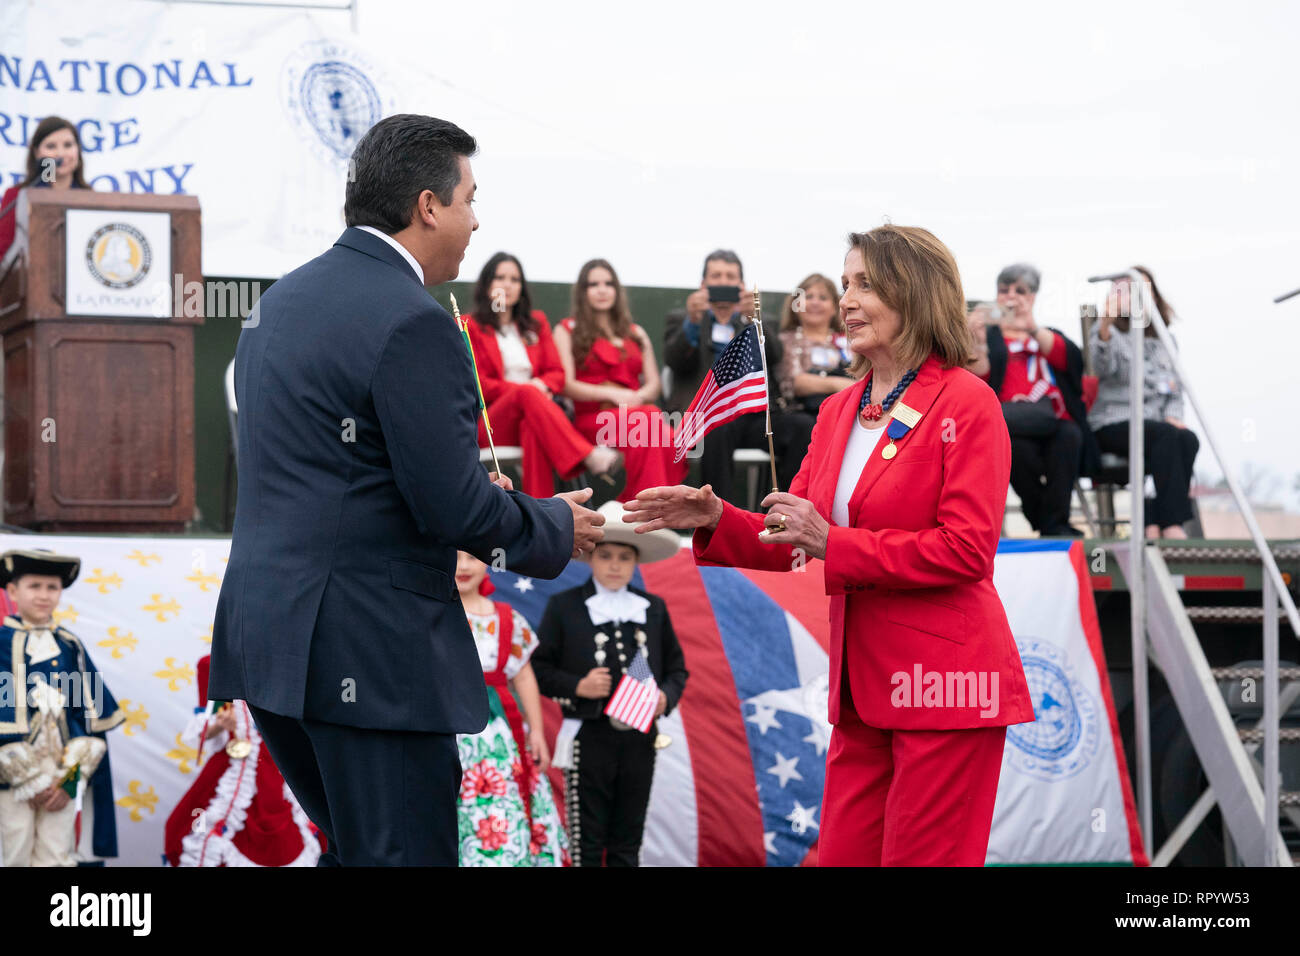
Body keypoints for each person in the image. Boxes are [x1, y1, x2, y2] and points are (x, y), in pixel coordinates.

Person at [209, 114, 605, 867]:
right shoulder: (414, 322)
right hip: (365, 650)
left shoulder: (275, 305)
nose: (477, 219)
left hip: (271, 642)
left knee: (357, 849)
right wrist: (552, 523)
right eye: (470, 198)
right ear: (428, 206)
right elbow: (450, 505)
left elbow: (340, 474)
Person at [626, 225, 1034, 866]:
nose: (846, 299)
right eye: (844, 283)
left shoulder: (969, 402)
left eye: (865, 284)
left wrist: (833, 542)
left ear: (916, 293)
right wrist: (713, 516)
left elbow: (966, 550)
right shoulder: (839, 410)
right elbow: (793, 536)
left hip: (947, 691)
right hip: (861, 693)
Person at [531, 502, 687, 866]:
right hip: (589, 735)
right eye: (606, 556)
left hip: (639, 738)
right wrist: (577, 686)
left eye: (624, 557)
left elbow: (678, 670)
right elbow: (538, 669)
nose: (615, 565)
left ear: (635, 562)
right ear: (591, 558)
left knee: (627, 837)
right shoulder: (565, 607)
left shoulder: (652, 608)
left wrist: (665, 697)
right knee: (587, 837)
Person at [0, 549, 123, 867]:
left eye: (52, 587)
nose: (44, 595)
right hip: (9, 776)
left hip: (61, 773)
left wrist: (69, 779)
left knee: (57, 855)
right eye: (34, 586)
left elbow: (91, 719)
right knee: (13, 852)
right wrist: (28, 779)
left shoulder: (72, 646)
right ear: (13, 591)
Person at [466, 253, 622, 497]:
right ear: (487, 285)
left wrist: (538, 387)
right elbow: (478, 383)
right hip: (492, 424)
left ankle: (541, 509)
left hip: (534, 414)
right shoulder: (470, 326)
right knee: (528, 394)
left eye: (515, 279)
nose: (508, 284)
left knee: (532, 425)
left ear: (522, 288)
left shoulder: (536, 324)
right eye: (500, 278)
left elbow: (557, 374)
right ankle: (589, 455)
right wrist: (527, 390)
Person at [452, 551, 569, 866]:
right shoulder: (431, 614)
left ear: (488, 563)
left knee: (505, 799)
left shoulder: (506, 617)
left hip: (499, 737)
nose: (463, 566)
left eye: (472, 558)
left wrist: (538, 733)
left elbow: (523, 677)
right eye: (455, 557)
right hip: (448, 730)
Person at [967, 264, 1097, 537]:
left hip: (1052, 418)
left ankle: (1051, 522)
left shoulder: (1045, 333)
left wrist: (1031, 328)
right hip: (1008, 420)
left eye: (1020, 291)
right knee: (1012, 449)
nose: (1011, 297)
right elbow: (980, 377)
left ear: (1033, 297)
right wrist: (975, 340)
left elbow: (1069, 360)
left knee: (1070, 436)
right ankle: (1050, 523)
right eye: (1004, 291)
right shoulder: (989, 336)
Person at [663, 250, 799, 504]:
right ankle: (719, 521)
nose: (724, 282)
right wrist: (693, 322)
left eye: (730, 277)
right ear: (703, 285)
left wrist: (753, 320)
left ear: (741, 285)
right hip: (707, 414)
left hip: (754, 416)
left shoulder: (760, 318)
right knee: (718, 424)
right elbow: (675, 360)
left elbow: (774, 355)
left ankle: (784, 514)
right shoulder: (683, 319)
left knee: (801, 427)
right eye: (716, 276)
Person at [164, 655, 323, 867]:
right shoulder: (213, 665)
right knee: (191, 828)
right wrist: (222, 725)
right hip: (232, 771)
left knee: (291, 839)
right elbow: (205, 730)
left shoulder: (284, 662)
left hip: (277, 771)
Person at [554, 259, 687, 501]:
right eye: (594, 284)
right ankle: (649, 508)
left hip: (638, 414)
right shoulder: (566, 330)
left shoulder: (636, 333)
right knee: (649, 420)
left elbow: (654, 384)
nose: (602, 289)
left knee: (670, 438)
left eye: (608, 283)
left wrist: (637, 397)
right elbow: (566, 384)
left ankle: (638, 504)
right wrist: (611, 394)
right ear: (583, 292)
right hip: (593, 421)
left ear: (617, 290)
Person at [1090, 267, 1199, 539]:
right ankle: (1172, 524)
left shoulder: (1165, 340)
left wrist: (1174, 416)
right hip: (1114, 421)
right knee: (1165, 436)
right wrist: (1106, 322)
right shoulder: (1107, 332)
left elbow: (1175, 389)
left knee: (1187, 439)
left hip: (1157, 427)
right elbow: (1102, 366)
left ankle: (1154, 521)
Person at [774, 273, 853, 466]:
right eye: (808, 297)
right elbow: (795, 384)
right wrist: (839, 384)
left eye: (823, 297)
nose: (815, 302)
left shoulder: (850, 342)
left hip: (845, 415)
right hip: (801, 416)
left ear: (835, 307)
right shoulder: (785, 341)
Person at [0, 116, 90, 263]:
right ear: (37, 153)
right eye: (51, 146)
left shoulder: (91, 198)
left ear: (78, 151)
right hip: (27, 281)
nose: (60, 153)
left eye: (68, 145)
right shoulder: (17, 195)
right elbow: (2, 250)